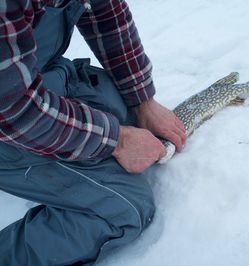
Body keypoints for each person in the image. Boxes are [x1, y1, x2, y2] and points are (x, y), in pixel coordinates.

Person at [0, 0, 186, 265]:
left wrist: (142, 99)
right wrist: (117, 140)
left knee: (126, 113)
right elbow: (14, 110)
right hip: (10, 114)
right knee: (124, 208)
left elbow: (107, 14)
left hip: (38, 80)